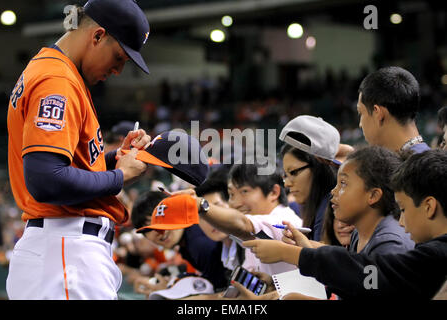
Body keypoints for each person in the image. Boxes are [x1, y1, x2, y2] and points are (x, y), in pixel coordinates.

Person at [6, 0, 152, 300]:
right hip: (65, 251)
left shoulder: (54, 70)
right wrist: (119, 177)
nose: (118, 70)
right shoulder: (58, 80)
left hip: (61, 252)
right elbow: (47, 180)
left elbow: (62, 164)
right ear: (97, 36)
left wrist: (112, 159)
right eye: (119, 57)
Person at [244, 149, 447, 299]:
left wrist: (291, 254)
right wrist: (308, 250)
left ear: (429, 206)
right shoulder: (427, 251)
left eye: (403, 210)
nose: (401, 222)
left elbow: (369, 275)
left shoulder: (399, 244)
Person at [175, 163, 303, 276]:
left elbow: (243, 224)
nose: (235, 203)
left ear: (273, 192)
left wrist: (198, 204)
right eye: (231, 195)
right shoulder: (253, 236)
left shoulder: (282, 222)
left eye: (244, 192)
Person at [131, 191, 230, 296]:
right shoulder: (188, 241)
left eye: (160, 220)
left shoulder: (199, 243)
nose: (159, 231)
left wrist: (170, 291)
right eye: (149, 229)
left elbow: (228, 295)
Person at [279, 115, 340, 241]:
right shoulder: (317, 206)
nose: (287, 184)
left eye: (294, 172)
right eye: (286, 175)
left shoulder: (335, 208)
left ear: (318, 165)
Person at [357, 66, 430, 153]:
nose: (360, 124)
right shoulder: (427, 160)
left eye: (361, 113)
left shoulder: (422, 165)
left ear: (377, 113)